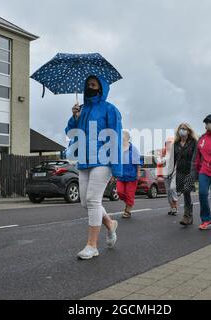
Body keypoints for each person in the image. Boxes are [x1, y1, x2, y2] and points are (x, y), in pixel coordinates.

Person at [65, 75, 123, 260]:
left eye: (93, 85)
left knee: (92, 200)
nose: (89, 87)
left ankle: (92, 246)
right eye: (87, 85)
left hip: (103, 161)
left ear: (101, 88)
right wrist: (75, 118)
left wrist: (117, 168)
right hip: (84, 160)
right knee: (85, 203)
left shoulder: (110, 109)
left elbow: (116, 137)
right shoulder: (81, 110)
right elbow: (70, 132)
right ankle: (110, 223)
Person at [171, 124, 198, 226]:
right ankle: (188, 216)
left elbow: (195, 157)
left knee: (187, 190)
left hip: (190, 170)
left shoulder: (193, 142)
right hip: (180, 171)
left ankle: (187, 216)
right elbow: (173, 159)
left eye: (184, 129)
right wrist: (170, 172)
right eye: (181, 129)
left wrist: (194, 171)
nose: (182, 130)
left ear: (188, 131)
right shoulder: (176, 144)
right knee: (184, 192)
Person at [117, 131, 143, 219]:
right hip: (121, 176)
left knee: (130, 194)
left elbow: (138, 162)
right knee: (120, 192)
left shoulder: (133, 149)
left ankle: (127, 211)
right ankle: (129, 202)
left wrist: (138, 172)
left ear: (128, 138)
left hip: (131, 176)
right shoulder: (118, 149)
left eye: (123, 138)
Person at [157, 137, 179, 216]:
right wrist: (160, 156)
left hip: (174, 175)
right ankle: (172, 208)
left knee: (172, 189)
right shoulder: (164, 154)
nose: (169, 145)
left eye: (170, 143)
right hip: (166, 175)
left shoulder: (176, 153)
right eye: (167, 143)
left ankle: (175, 207)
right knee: (168, 192)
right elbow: (159, 162)